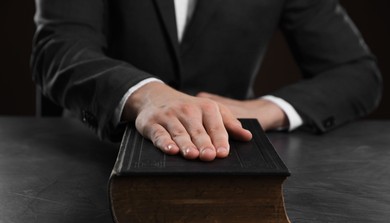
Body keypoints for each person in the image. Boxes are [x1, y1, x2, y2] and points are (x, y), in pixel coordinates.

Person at [31, 0, 382, 161]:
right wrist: (146, 94)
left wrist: (264, 110)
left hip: (230, 154)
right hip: (89, 159)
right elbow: (59, 48)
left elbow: (357, 72)